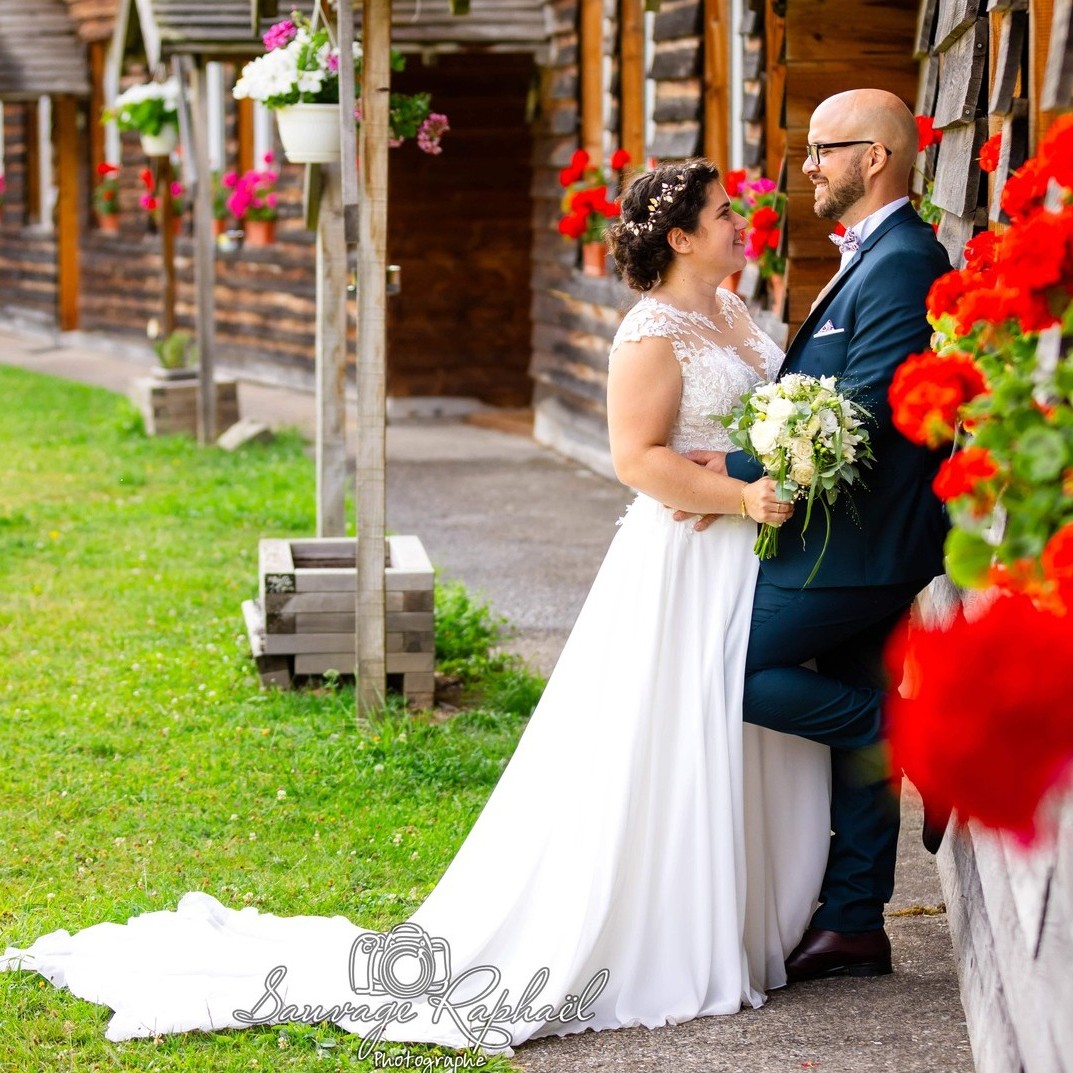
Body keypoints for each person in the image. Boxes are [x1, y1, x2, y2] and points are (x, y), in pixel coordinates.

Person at [1, 162, 831, 1055]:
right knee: (671, 738)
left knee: (733, 732)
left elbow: (752, 425)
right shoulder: (648, 333)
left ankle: (745, 915)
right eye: (719, 213)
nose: (737, 221)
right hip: (687, 562)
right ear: (677, 238)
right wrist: (740, 497)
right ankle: (663, 924)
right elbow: (635, 457)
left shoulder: (739, 313)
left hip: (750, 553)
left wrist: (758, 468)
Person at [681, 89, 951, 982]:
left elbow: (866, 416)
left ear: (873, 158)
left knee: (720, 666)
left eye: (822, 151)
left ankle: (921, 736)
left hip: (863, 547)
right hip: (840, 539)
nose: (806, 168)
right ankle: (854, 921)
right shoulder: (868, 257)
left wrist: (733, 474)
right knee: (846, 701)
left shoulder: (905, 259)